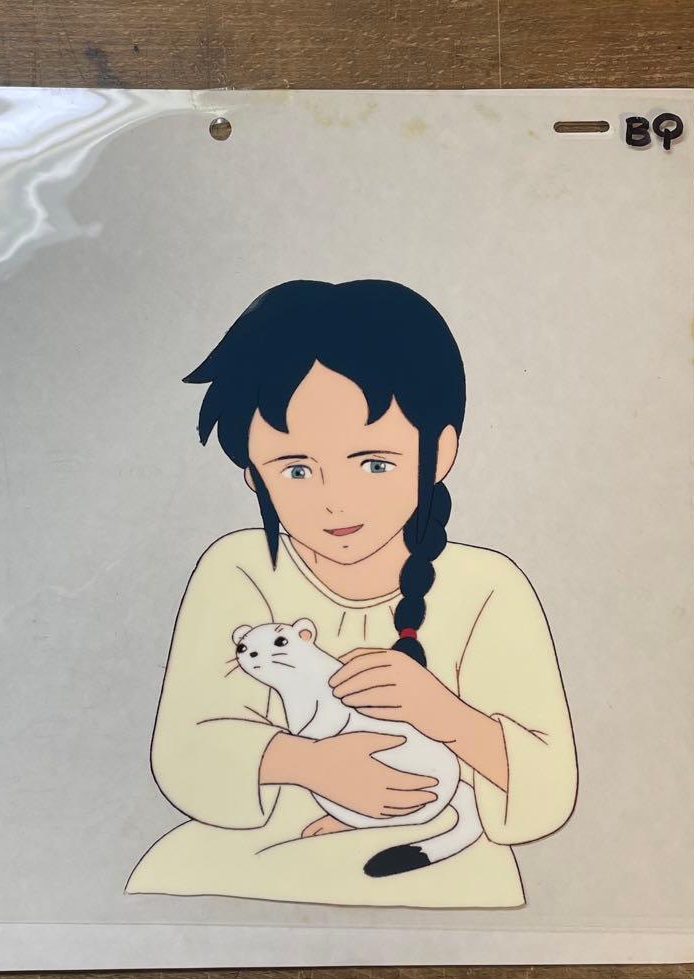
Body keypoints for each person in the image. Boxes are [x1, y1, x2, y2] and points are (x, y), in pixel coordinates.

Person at [126, 280, 577, 907]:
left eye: (373, 463)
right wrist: (309, 765)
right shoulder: (239, 569)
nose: (334, 501)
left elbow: (549, 790)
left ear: (441, 451)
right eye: (296, 469)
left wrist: (444, 714)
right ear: (252, 474)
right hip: (259, 854)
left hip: (439, 848)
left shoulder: (488, 588)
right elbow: (185, 751)